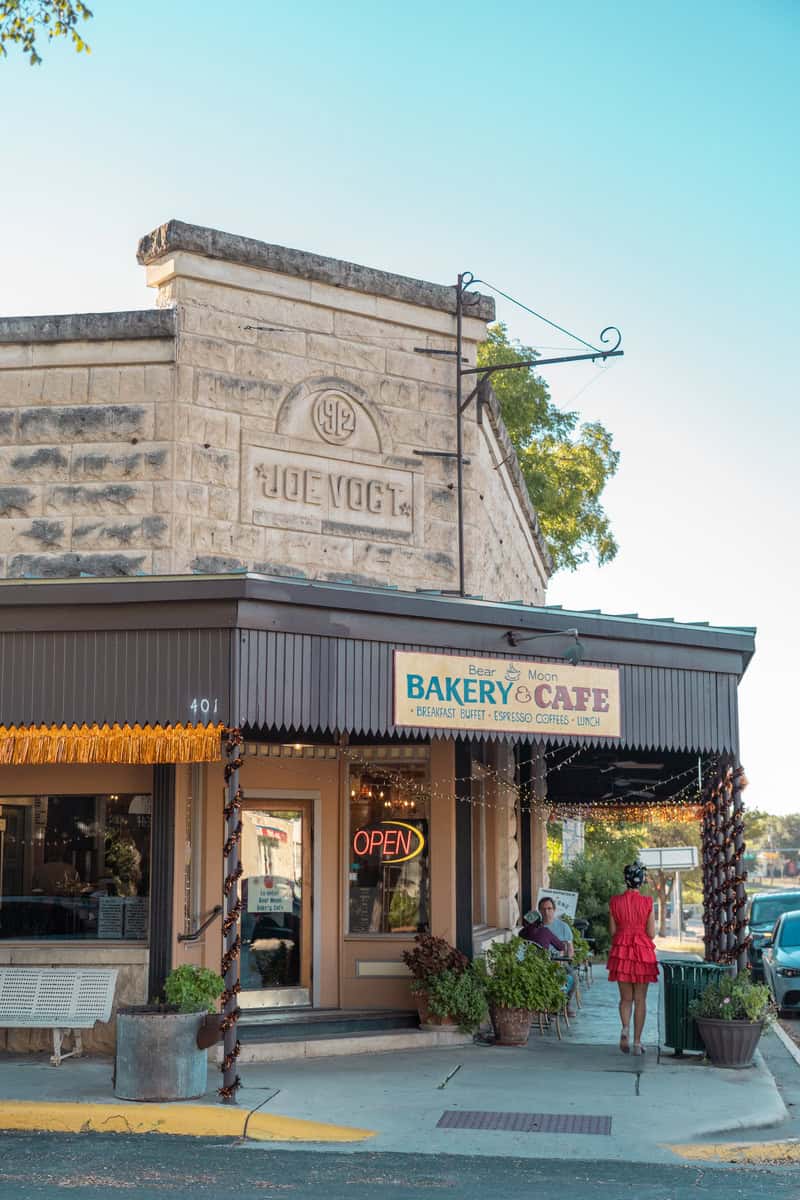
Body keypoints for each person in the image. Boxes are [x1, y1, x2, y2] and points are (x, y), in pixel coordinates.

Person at [607, 862, 659, 1055]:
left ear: (625, 880)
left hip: (621, 952)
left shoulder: (614, 902)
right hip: (642, 953)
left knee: (625, 999)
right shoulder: (647, 902)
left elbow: (612, 931)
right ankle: (637, 1043)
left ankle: (625, 1028)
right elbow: (651, 933)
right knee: (640, 999)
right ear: (641, 880)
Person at [526, 908, 577, 1018]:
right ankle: (559, 1005)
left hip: (528, 971)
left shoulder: (522, 933)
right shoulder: (545, 931)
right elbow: (561, 947)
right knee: (570, 978)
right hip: (546, 970)